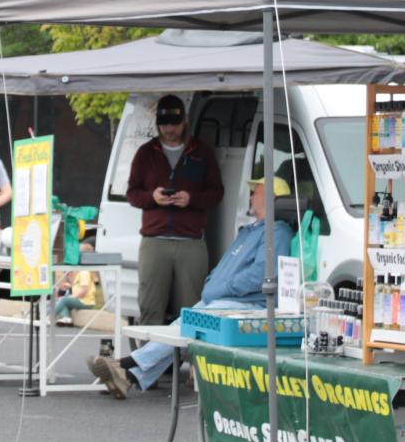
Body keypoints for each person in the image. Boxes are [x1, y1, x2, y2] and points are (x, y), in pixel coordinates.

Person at [90, 178, 290, 398]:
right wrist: (213, 284)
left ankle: (126, 364)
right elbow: (224, 268)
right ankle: (130, 377)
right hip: (226, 298)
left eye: (257, 192)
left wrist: (220, 289)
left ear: (272, 198)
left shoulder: (277, 231)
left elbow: (261, 275)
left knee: (189, 323)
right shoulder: (249, 231)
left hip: (249, 303)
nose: (251, 197)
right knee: (182, 324)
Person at [125, 94, 223, 326]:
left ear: (184, 122)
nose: (169, 129)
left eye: (174, 124)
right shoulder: (146, 152)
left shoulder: (202, 152)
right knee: (150, 305)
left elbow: (216, 193)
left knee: (191, 308)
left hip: (191, 240)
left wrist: (191, 199)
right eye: (164, 124)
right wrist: (153, 197)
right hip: (154, 240)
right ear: (158, 124)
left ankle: (190, 360)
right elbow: (132, 193)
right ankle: (150, 360)